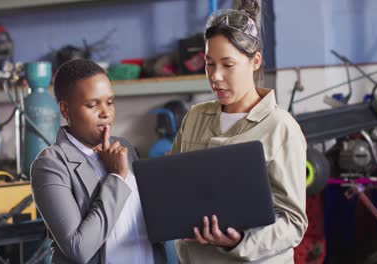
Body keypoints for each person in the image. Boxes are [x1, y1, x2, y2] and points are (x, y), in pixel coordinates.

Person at [171, 0, 308, 263]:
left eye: (228, 65)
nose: (216, 76)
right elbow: (173, 187)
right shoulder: (195, 117)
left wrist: (239, 240)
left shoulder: (281, 128)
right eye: (210, 64)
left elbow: (293, 223)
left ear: (255, 61)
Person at [30, 59, 166, 264]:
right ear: (65, 110)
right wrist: (117, 178)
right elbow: (78, 249)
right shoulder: (52, 165)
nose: (106, 113)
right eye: (92, 105)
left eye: (110, 102)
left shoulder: (124, 148)